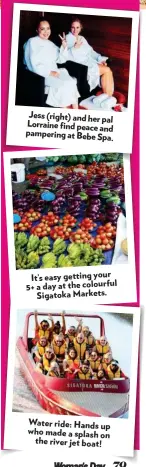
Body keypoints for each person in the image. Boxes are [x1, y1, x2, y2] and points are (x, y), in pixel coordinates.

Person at [24, 18, 79, 108]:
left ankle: (76, 113)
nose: (46, 32)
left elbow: (61, 60)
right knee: (63, 85)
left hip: (55, 72)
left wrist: (64, 47)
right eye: (42, 29)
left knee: (71, 82)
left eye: (48, 28)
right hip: (40, 75)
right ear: (37, 30)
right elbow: (33, 65)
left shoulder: (50, 44)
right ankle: (65, 112)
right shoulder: (32, 41)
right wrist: (50, 73)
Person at [59, 18, 114, 96]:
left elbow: (91, 52)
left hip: (89, 62)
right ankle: (108, 98)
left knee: (108, 70)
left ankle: (108, 97)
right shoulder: (67, 38)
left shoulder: (82, 38)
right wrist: (75, 48)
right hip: (80, 66)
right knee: (107, 70)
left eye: (77, 27)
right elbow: (66, 57)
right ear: (70, 28)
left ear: (81, 28)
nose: (75, 30)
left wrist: (100, 59)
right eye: (73, 27)